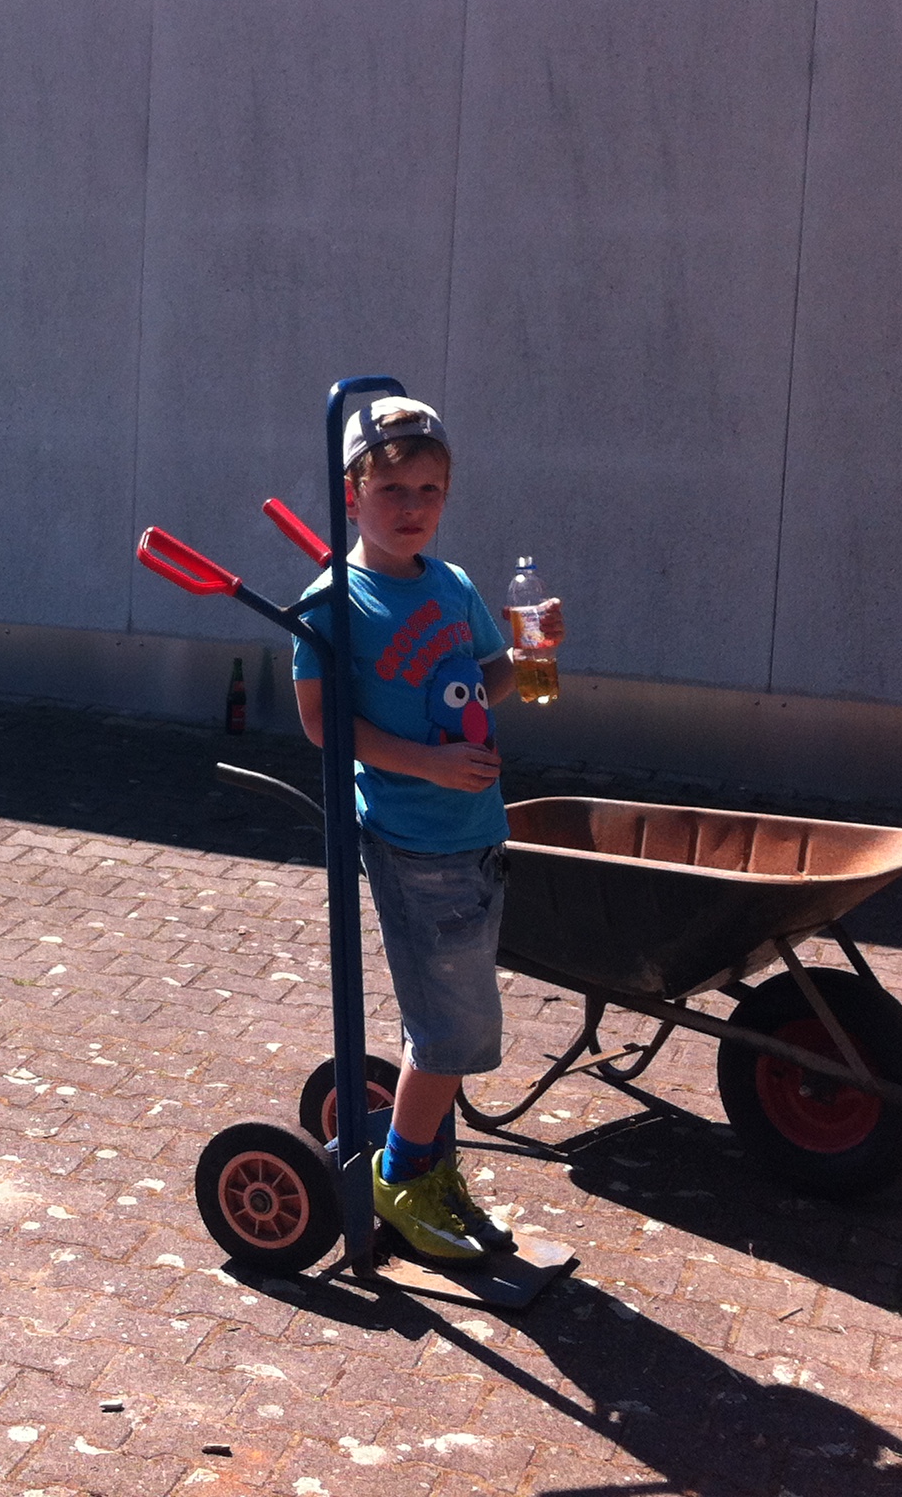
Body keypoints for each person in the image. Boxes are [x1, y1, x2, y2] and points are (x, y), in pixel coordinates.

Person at [292, 396, 557, 1265]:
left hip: (474, 829)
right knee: (454, 1031)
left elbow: (487, 680)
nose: (412, 507)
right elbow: (325, 725)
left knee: (450, 1020)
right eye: (392, 489)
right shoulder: (334, 604)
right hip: (414, 838)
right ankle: (402, 1178)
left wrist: (529, 655)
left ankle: (423, 1165)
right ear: (352, 494)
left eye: (429, 490)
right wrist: (427, 765)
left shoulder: (452, 585)